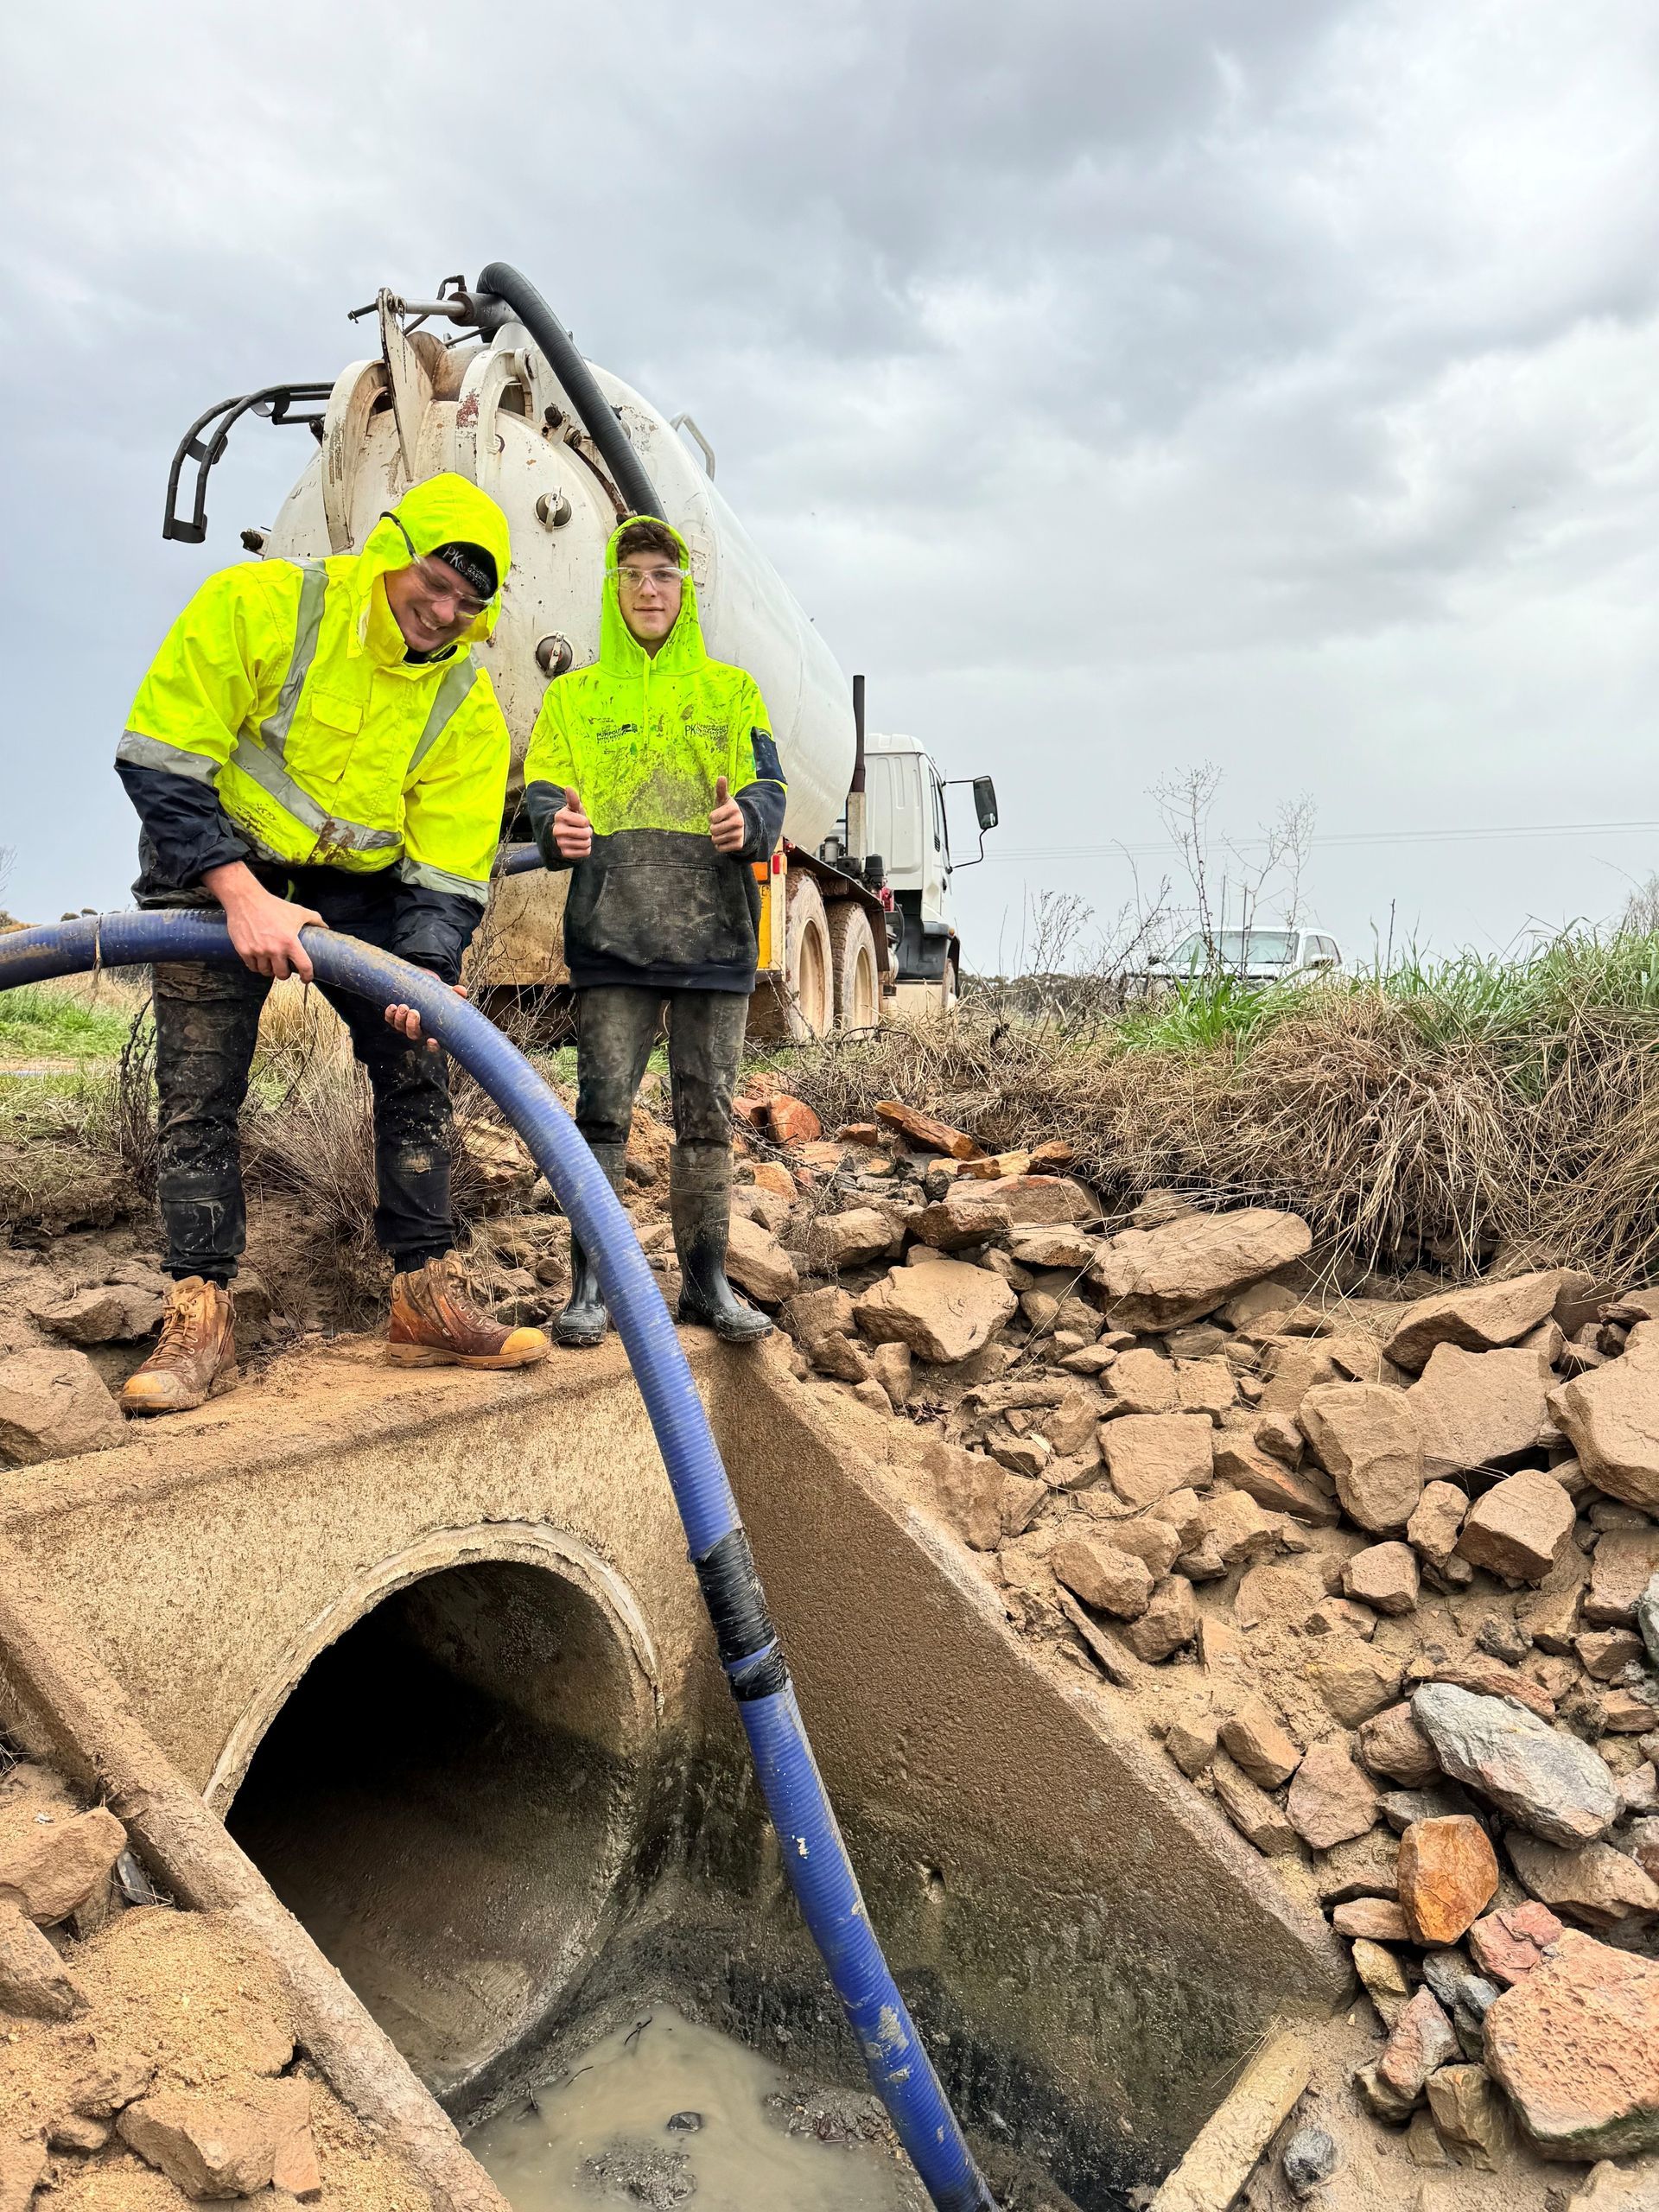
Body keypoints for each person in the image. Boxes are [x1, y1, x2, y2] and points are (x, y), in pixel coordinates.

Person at [113, 472, 550, 1413]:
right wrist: (239, 893)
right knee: (199, 1091)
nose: (441, 611)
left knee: (416, 1067)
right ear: (392, 553)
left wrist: (427, 971)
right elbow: (161, 754)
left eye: (465, 604)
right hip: (215, 858)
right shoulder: (264, 604)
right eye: (430, 584)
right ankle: (200, 1310)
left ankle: (422, 1297)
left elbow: (446, 864)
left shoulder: (466, 701)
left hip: (359, 892)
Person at [521, 515, 786, 1347]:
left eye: (663, 577)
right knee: (602, 1114)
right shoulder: (574, 697)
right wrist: (549, 831)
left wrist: (745, 820)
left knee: (706, 1118)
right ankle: (591, 1286)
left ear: (685, 593)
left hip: (717, 938)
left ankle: (706, 1282)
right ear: (612, 587)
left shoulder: (732, 691)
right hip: (613, 940)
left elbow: (769, 791)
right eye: (632, 573)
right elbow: (544, 792)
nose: (647, 589)